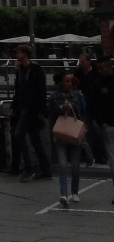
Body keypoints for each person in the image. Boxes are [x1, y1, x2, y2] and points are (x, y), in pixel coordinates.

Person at [8, 44, 51, 181]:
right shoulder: (20, 70)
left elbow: (41, 90)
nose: (16, 55)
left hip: (31, 108)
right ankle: (45, 169)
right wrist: (14, 107)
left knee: (18, 133)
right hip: (23, 107)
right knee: (34, 139)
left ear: (25, 54)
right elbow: (17, 90)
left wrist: (41, 110)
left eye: (18, 52)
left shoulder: (35, 69)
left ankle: (28, 167)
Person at [48, 72, 84, 206]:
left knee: (75, 165)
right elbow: (50, 114)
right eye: (67, 81)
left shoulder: (76, 95)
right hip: (61, 133)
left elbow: (80, 113)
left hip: (73, 131)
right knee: (62, 165)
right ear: (60, 83)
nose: (70, 84)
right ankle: (63, 193)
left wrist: (72, 106)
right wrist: (60, 108)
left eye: (70, 81)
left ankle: (75, 191)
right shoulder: (54, 97)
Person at [88, 57, 114, 203]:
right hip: (108, 125)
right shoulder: (98, 83)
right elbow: (94, 103)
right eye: (98, 68)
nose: (100, 71)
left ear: (109, 67)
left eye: (102, 67)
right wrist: (100, 121)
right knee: (112, 160)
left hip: (108, 123)